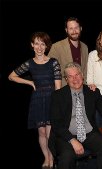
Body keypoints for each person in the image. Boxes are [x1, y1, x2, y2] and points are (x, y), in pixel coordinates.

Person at [49, 62, 102, 169]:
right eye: (70, 76)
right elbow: (56, 123)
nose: (74, 79)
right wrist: (72, 140)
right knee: (67, 156)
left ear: (82, 75)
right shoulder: (58, 96)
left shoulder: (92, 92)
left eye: (77, 75)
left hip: (89, 133)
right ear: (66, 79)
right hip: (66, 136)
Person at [8, 32, 62, 169]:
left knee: (50, 133)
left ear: (46, 46)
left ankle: (52, 158)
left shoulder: (53, 62)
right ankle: (46, 158)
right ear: (32, 45)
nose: (39, 47)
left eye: (42, 44)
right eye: (36, 43)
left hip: (51, 99)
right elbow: (11, 76)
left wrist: (57, 105)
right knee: (41, 133)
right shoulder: (29, 63)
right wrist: (30, 83)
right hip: (37, 100)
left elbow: (58, 88)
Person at [48, 17, 88, 87]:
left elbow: (85, 70)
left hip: (81, 88)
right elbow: (49, 69)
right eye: (71, 28)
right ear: (66, 30)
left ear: (81, 28)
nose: (74, 31)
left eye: (76, 28)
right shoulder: (56, 47)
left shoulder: (85, 47)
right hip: (63, 89)